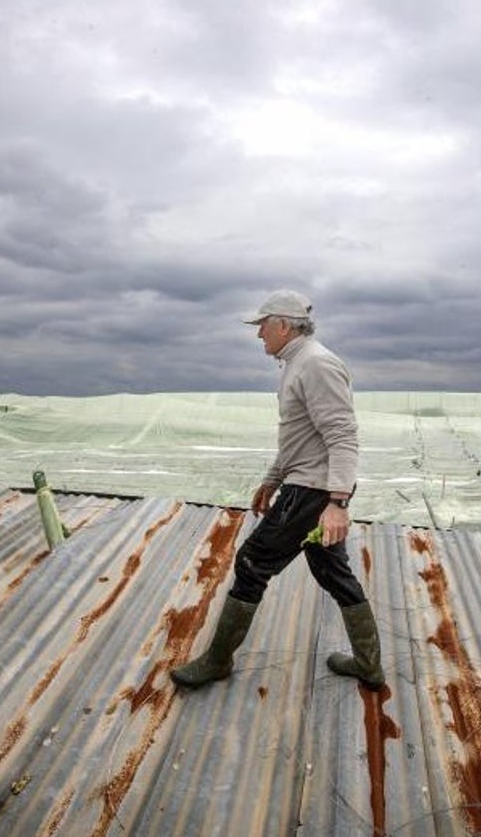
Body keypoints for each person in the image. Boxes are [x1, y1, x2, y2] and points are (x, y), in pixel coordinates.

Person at [170, 289, 384, 691]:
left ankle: (217, 662)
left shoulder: (316, 364)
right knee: (334, 572)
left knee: (253, 561)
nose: (258, 335)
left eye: (263, 326)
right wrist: (272, 478)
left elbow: (342, 436)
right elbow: (298, 438)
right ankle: (368, 665)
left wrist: (337, 503)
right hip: (308, 483)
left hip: (313, 491)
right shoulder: (296, 363)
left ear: (284, 325)